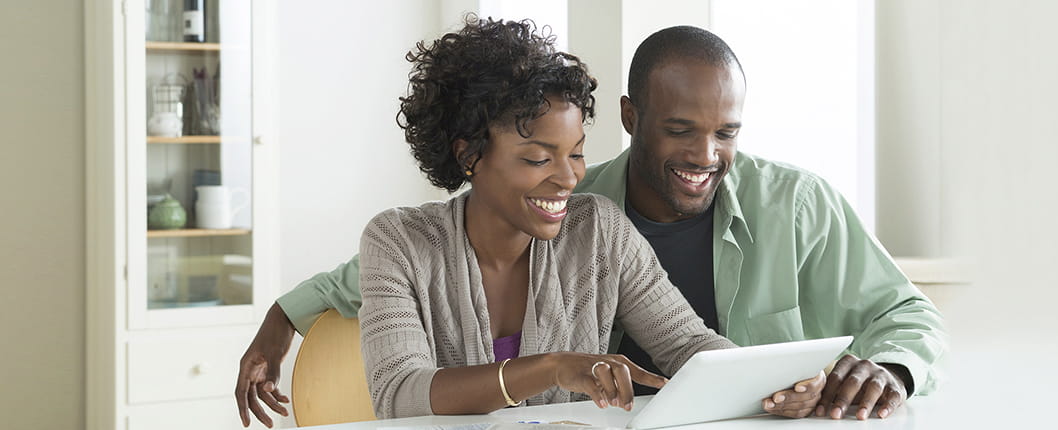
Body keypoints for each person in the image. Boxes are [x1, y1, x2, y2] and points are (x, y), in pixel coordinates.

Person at [236, 24, 945, 426]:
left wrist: (772, 385)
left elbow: (688, 342)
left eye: (575, 154)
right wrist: (554, 367)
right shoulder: (399, 240)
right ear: (470, 154)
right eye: (539, 157)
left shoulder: (596, 224)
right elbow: (397, 385)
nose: (570, 176)